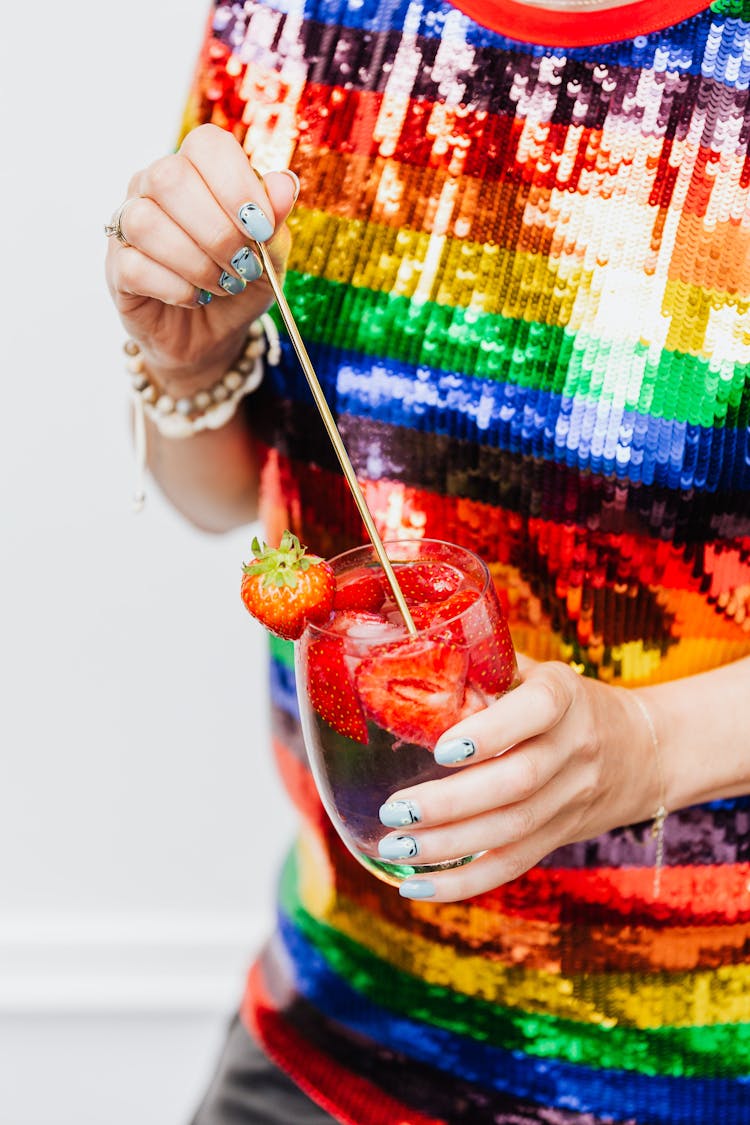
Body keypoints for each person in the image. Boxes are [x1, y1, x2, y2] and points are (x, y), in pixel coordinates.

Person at [105, 0, 750, 1121]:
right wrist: (184, 356)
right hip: (336, 1033)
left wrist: (647, 747)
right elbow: (211, 493)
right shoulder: (288, 17)